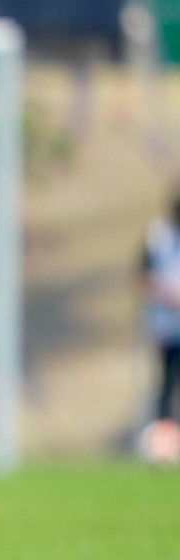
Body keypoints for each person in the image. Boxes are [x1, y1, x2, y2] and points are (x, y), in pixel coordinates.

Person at [137, 191, 180, 466]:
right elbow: (143, 276)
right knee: (166, 388)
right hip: (168, 327)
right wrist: (169, 295)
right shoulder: (160, 237)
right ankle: (162, 449)